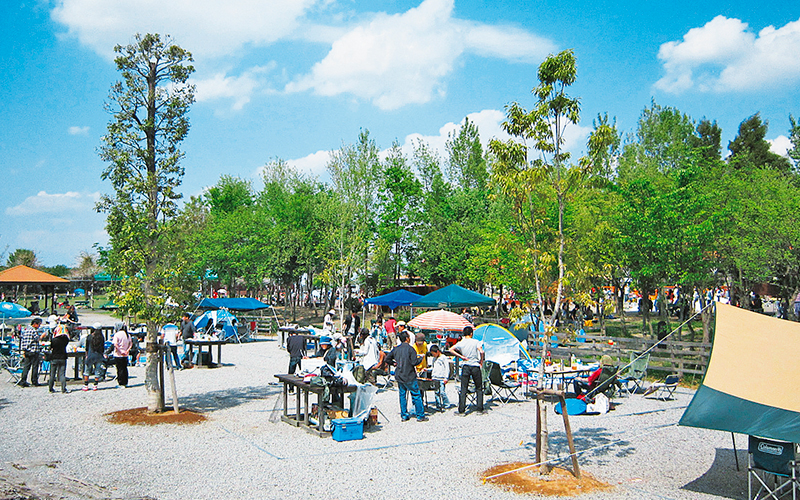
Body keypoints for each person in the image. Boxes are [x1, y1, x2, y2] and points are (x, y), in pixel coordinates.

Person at [384, 331, 428, 422]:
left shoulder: (396, 349)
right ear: (407, 338)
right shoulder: (410, 349)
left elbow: (387, 359)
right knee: (416, 395)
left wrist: (394, 363)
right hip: (409, 375)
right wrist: (420, 358)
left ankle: (404, 415)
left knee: (402, 395)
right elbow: (414, 362)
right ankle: (420, 415)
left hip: (399, 375)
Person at [450, 325, 485, 415]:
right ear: (471, 333)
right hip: (475, 365)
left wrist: (461, 356)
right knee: (479, 387)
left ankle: (461, 410)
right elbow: (481, 351)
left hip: (465, 365)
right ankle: (479, 409)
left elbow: (451, 349)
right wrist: (481, 361)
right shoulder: (476, 342)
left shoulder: (461, 343)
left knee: (464, 388)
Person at [17, 317, 46, 387]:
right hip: (33, 351)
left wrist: (24, 350)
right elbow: (37, 339)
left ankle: (23, 381)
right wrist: (42, 336)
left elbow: (23, 341)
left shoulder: (26, 330)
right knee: (35, 366)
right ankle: (34, 381)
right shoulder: (33, 331)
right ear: (35, 324)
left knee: (26, 367)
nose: (39, 326)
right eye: (39, 324)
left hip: (27, 351)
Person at [48, 320, 71, 393]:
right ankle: (63, 389)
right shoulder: (65, 340)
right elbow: (68, 336)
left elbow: (51, 347)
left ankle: (50, 388)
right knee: (62, 374)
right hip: (63, 357)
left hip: (54, 357)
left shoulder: (54, 340)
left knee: (52, 374)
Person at [82, 323, 106, 391]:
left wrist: (86, 355)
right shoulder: (102, 337)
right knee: (97, 370)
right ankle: (95, 385)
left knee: (87, 370)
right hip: (98, 355)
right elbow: (102, 348)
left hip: (90, 355)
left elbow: (86, 347)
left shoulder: (90, 336)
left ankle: (86, 385)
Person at [429, 344, 452, 411]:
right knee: (436, 392)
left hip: (441, 378)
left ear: (438, 352)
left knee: (442, 392)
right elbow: (433, 367)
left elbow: (447, 368)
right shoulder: (434, 359)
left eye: (434, 354)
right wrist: (427, 370)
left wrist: (446, 377)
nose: (433, 355)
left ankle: (446, 404)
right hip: (435, 377)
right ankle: (438, 405)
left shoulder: (443, 358)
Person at [112, 322, 132, 387]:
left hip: (118, 354)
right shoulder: (127, 334)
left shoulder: (117, 334)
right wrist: (127, 350)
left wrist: (120, 351)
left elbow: (115, 344)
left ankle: (121, 383)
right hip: (126, 354)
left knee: (119, 369)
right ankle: (125, 382)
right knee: (125, 368)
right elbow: (130, 343)